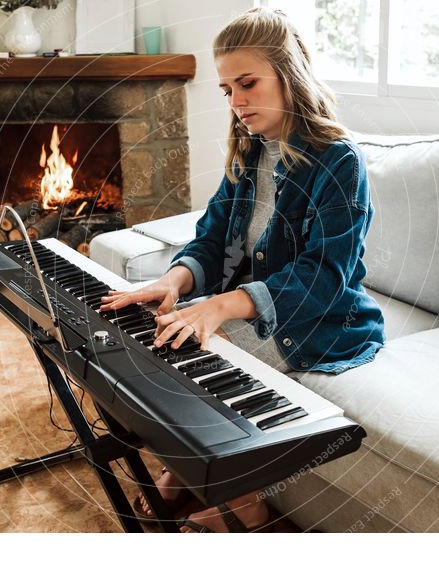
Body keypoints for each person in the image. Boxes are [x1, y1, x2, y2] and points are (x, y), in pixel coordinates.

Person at [100, 6, 385, 532]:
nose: (236, 101)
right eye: (227, 90)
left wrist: (222, 306)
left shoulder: (339, 161)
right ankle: (190, 472)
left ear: (289, 72)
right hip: (260, 310)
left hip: (319, 326)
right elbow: (211, 240)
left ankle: (246, 503)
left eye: (248, 83)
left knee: (202, 350)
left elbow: (324, 276)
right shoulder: (250, 154)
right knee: (159, 332)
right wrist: (174, 281)